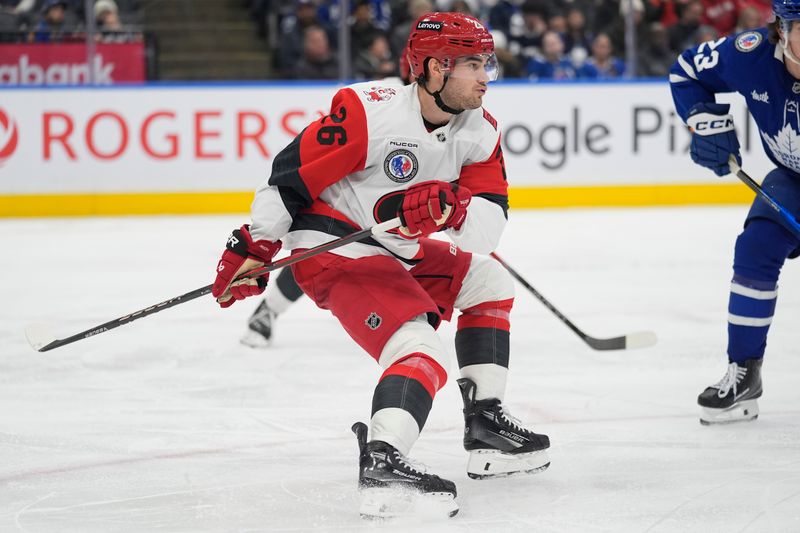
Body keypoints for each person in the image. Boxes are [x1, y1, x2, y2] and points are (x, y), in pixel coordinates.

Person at [213, 12, 551, 518]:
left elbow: (486, 232)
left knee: (487, 280)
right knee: (421, 350)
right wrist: (254, 247)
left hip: (395, 251)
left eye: (488, 64)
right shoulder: (368, 114)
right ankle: (384, 458)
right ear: (435, 69)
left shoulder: (480, 132)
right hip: (337, 251)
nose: (487, 77)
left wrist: (454, 207)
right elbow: (290, 178)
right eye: (474, 64)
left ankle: (485, 424)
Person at [670, 0, 800, 425]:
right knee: (756, 246)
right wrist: (704, 121)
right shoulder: (748, 53)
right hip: (793, 178)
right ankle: (745, 374)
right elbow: (686, 70)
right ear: (781, 30)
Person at [240, 44, 415, 349]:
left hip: (385, 207)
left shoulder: (447, 117)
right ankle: (268, 311)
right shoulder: (387, 96)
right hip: (346, 196)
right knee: (320, 252)